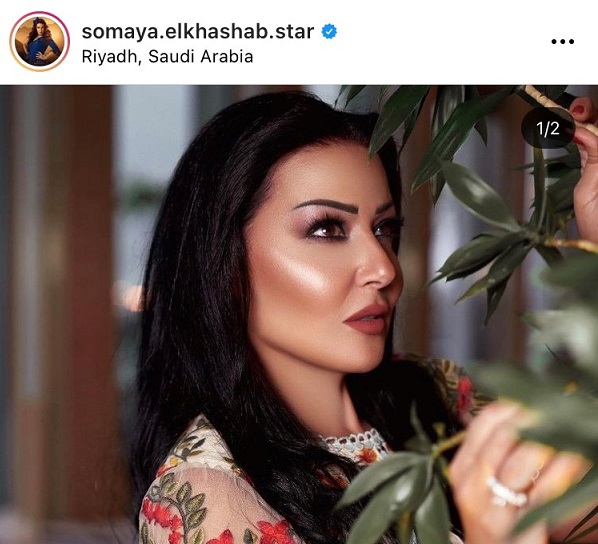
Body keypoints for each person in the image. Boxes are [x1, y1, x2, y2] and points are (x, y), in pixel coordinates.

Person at [131, 91, 597, 544]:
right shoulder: (208, 498)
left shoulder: (437, 394)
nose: (384, 268)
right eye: (327, 229)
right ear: (223, 262)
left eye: (384, 228)